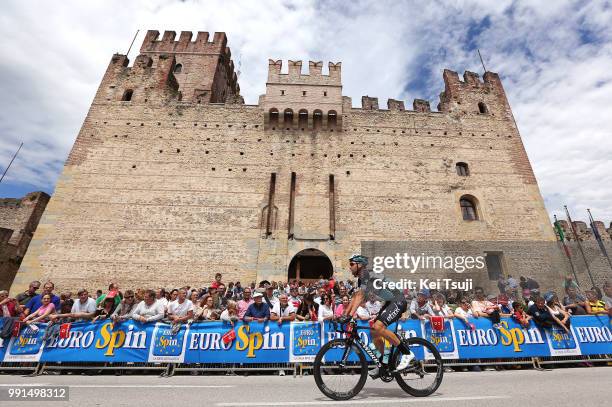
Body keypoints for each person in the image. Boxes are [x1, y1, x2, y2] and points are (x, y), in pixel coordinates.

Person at [339, 254, 413, 379]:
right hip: (389, 302)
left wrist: (349, 315)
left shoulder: (366, 274)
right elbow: (356, 297)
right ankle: (384, 364)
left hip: (398, 300)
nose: (349, 267)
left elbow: (361, 297)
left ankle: (406, 353)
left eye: (352, 264)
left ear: (360, 265)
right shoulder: (361, 279)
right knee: (374, 331)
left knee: (378, 327)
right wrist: (344, 315)